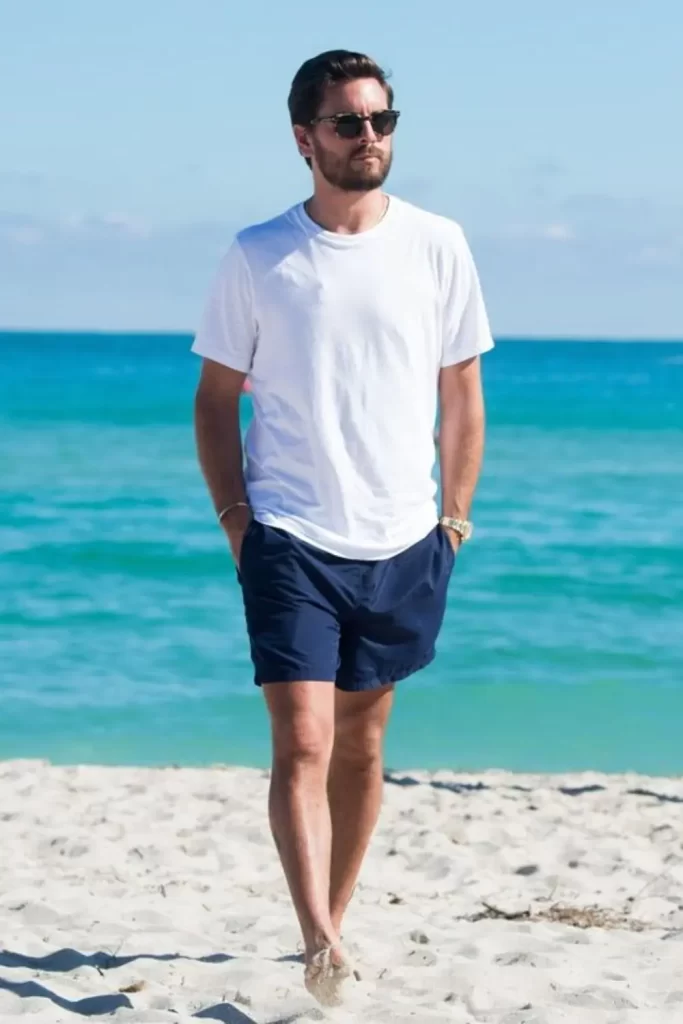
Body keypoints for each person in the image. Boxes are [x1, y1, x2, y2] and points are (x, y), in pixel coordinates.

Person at [192, 49, 494, 1006]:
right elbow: (215, 399)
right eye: (348, 123)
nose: (370, 137)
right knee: (305, 744)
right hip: (288, 533)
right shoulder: (258, 253)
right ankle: (317, 939)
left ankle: (337, 914)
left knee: (363, 749)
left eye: (381, 120)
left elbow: (463, 395)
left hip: (405, 536)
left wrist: (453, 518)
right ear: (303, 139)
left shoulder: (439, 243)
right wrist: (238, 517)